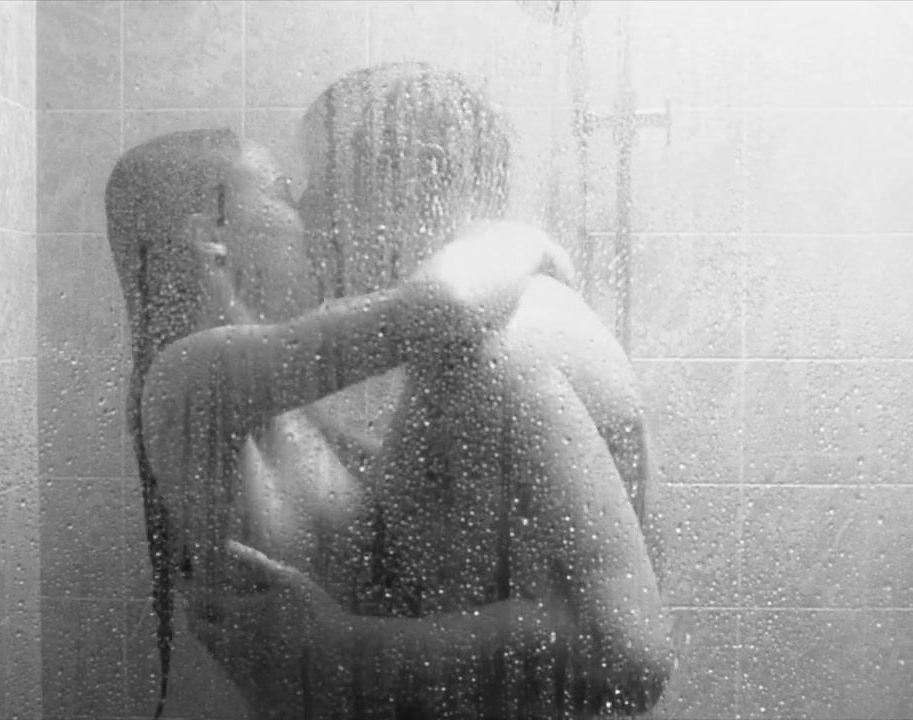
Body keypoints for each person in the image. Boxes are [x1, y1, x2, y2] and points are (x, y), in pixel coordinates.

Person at [151, 63, 670, 717]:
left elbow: (625, 655)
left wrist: (341, 647)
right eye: (292, 193)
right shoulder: (467, 338)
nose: (308, 211)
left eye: (322, 181)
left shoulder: (490, 343)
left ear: (422, 170)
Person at [105, 127, 578, 717]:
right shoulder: (188, 375)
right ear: (211, 239)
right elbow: (443, 306)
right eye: (281, 192)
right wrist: (518, 240)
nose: (305, 213)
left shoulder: (274, 398)